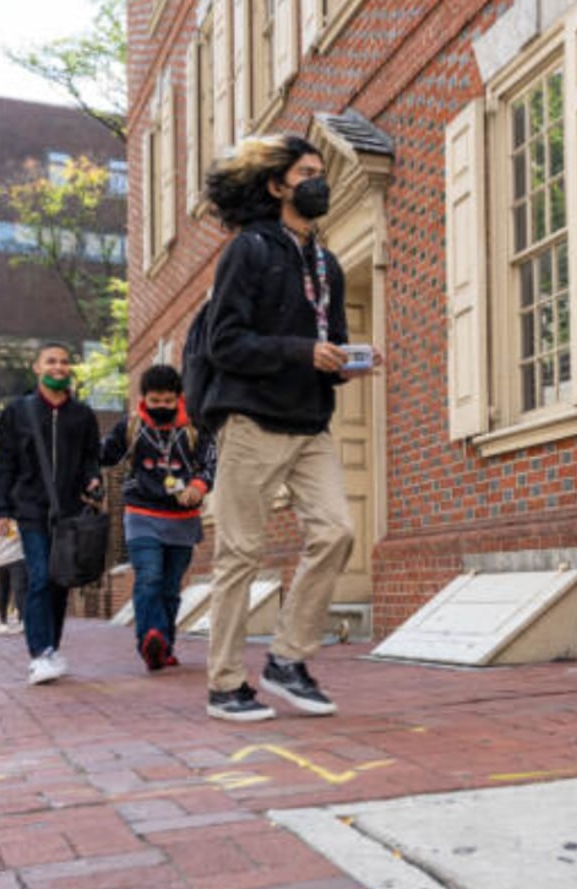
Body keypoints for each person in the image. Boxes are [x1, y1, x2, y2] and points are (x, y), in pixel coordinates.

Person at [193, 134, 381, 721]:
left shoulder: (324, 262)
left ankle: (287, 659)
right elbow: (226, 343)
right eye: (306, 172)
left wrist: (350, 360)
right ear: (277, 185)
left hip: (311, 424)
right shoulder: (248, 250)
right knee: (241, 554)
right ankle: (225, 684)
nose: (317, 181)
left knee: (337, 532)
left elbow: (331, 341)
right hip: (253, 422)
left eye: (321, 171)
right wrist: (304, 352)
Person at [0, 341, 102, 684]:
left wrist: (92, 479)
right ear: (37, 367)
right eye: (51, 361)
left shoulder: (83, 415)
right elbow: (0, 462)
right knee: (39, 576)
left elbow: (90, 458)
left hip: (70, 512)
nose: (58, 367)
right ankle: (40, 653)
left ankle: (51, 648)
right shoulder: (18, 412)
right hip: (31, 509)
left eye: (64, 362)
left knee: (60, 581)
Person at [100, 364, 216, 671]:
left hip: (183, 519)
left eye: (168, 401)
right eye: (155, 402)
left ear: (179, 398)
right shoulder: (131, 427)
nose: (161, 407)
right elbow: (104, 455)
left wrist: (198, 486)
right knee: (149, 577)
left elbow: (210, 462)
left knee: (170, 587)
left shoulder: (194, 427)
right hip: (141, 514)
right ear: (143, 399)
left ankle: (164, 644)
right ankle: (149, 639)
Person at [0, 521, 27, 629]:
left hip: (17, 559)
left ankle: (23, 619)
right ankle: (2, 620)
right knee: (3, 590)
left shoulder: (18, 521)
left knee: (20, 588)